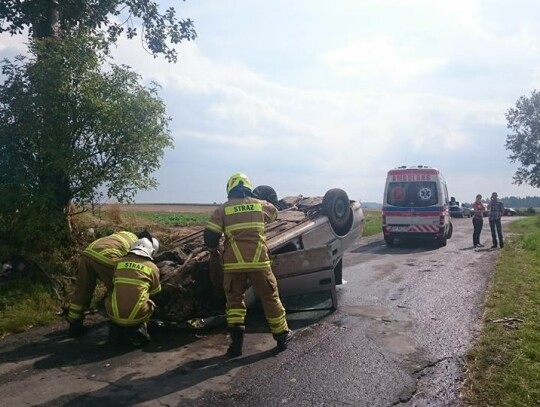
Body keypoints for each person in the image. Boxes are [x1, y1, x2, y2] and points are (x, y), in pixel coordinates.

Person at [203, 172, 293, 357]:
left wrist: (214, 250)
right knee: (270, 297)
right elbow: (275, 213)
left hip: (233, 265)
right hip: (259, 263)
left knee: (234, 302)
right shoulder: (260, 205)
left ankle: (236, 343)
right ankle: (282, 336)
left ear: (230, 188)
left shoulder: (223, 210)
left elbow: (210, 236)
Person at [67, 230, 142, 336]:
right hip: (107, 256)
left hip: (88, 253)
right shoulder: (137, 244)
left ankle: (74, 324)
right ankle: (118, 323)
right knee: (119, 288)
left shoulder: (123, 234)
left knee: (82, 290)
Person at [105, 236, 161, 347]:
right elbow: (156, 292)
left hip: (113, 314)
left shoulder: (118, 263)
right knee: (149, 301)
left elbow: (114, 283)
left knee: (114, 296)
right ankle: (140, 328)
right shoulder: (152, 267)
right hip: (138, 316)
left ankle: (115, 328)